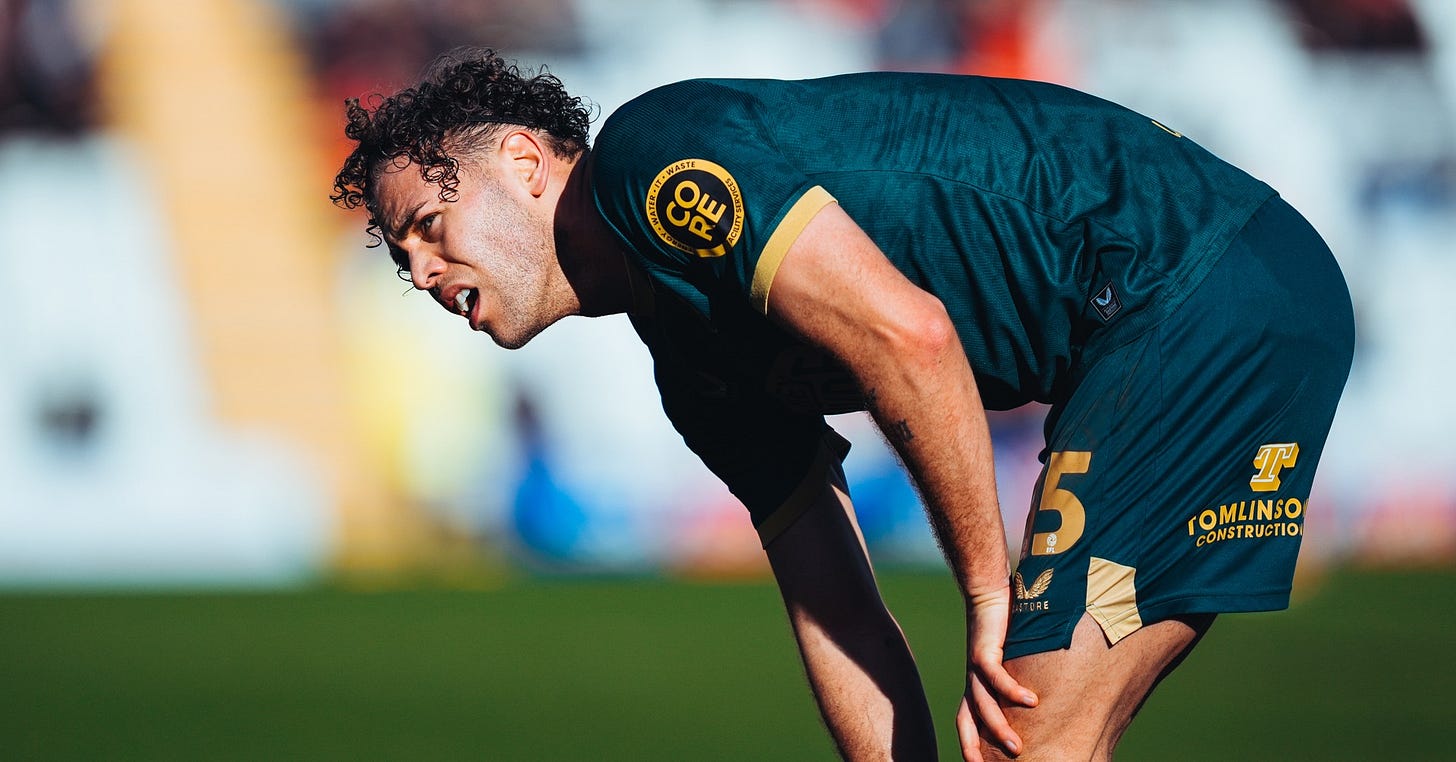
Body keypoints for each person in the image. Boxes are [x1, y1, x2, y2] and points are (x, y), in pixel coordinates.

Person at [331, 49, 1354, 761]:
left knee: (1026, 734)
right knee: (1034, 740)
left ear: (522, 161)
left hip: (1195, 277)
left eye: (427, 223)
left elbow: (911, 338)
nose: (418, 272)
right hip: (1179, 307)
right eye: (400, 255)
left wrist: (990, 592)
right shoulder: (690, 368)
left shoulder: (650, 161)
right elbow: (834, 605)